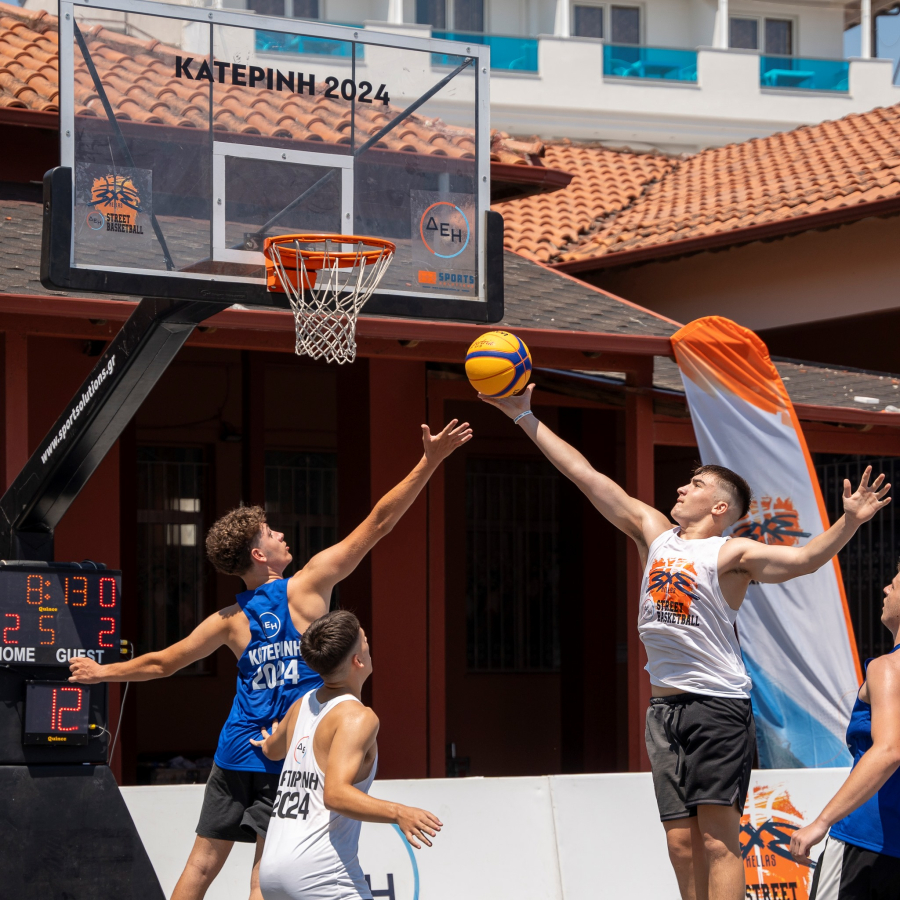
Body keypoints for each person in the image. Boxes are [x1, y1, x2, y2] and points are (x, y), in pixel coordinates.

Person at [479, 384, 890, 900]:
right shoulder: (653, 533)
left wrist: (848, 522)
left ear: (720, 506)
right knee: (679, 844)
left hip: (717, 708)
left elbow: (804, 561)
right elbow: (587, 477)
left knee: (718, 843)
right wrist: (523, 415)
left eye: (694, 483)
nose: (681, 488)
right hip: (664, 711)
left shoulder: (732, 552)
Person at [68, 419, 470, 900]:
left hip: (234, 748)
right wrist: (429, 461)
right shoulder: (307, 586)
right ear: (261, 553)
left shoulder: (228, 619)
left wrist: (101, 672)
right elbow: (378, 524)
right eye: (271, 531)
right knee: (262, 872)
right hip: (281, 750)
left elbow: (163, 664)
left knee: (199, 867)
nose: (281, 533)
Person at [251, 608, 441, 900]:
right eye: (365, 640)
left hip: (273, 872)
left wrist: (267, 742)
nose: (368, 643)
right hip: (319, 872)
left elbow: (273, 750)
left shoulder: (302, 705)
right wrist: (399, 812)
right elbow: (335, 795)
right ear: (358, 660)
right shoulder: (358, 717)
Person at [790, 560, 900, 898]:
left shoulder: (888, 668)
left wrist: (822, 821)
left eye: (895, 584)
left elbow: (888, 750)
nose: (885, 589)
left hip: (866, 840)